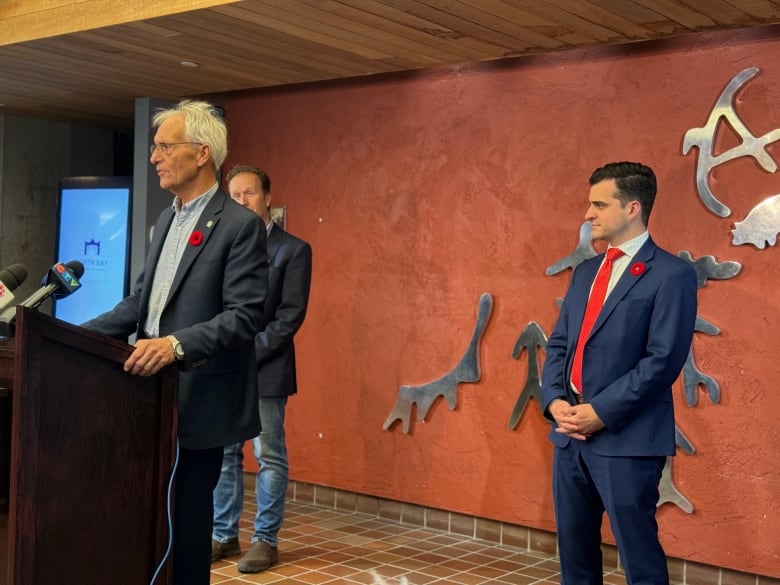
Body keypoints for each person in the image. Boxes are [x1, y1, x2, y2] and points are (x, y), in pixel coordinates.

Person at [82, 100, 268, 585]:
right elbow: (142, 304)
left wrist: (175, 345)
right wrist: (72, 337)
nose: (154, 157)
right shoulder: (167, 220)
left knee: (186, 527)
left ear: (202, 153)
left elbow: (245, 316)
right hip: (148, 397)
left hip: (199, 400)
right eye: (155, 147)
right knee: (147, 521)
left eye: (165, 146)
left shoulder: (239, 226)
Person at [540, 161, 697, 584]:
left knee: (639, 559)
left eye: (598, 204)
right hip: (569, 437)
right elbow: (559, 344)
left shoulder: (672, 274)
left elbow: (663, 360)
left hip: (626, 438)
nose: (587, 214)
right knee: (574, 557)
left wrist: (600, 411)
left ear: (631, 208)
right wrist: (555, 401)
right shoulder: (586, 272)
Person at [211, 165, 313, 573]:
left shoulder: (293, 250)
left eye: (248, 194)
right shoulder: (225, 248)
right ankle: (224, 534)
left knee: (268, 455)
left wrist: (244, 354)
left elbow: (289, 318)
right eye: (233, 195)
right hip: (223, 369)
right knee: (224, 454)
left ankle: (266, 540)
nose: (241, 202)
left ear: (267, 198)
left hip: (265, 368)